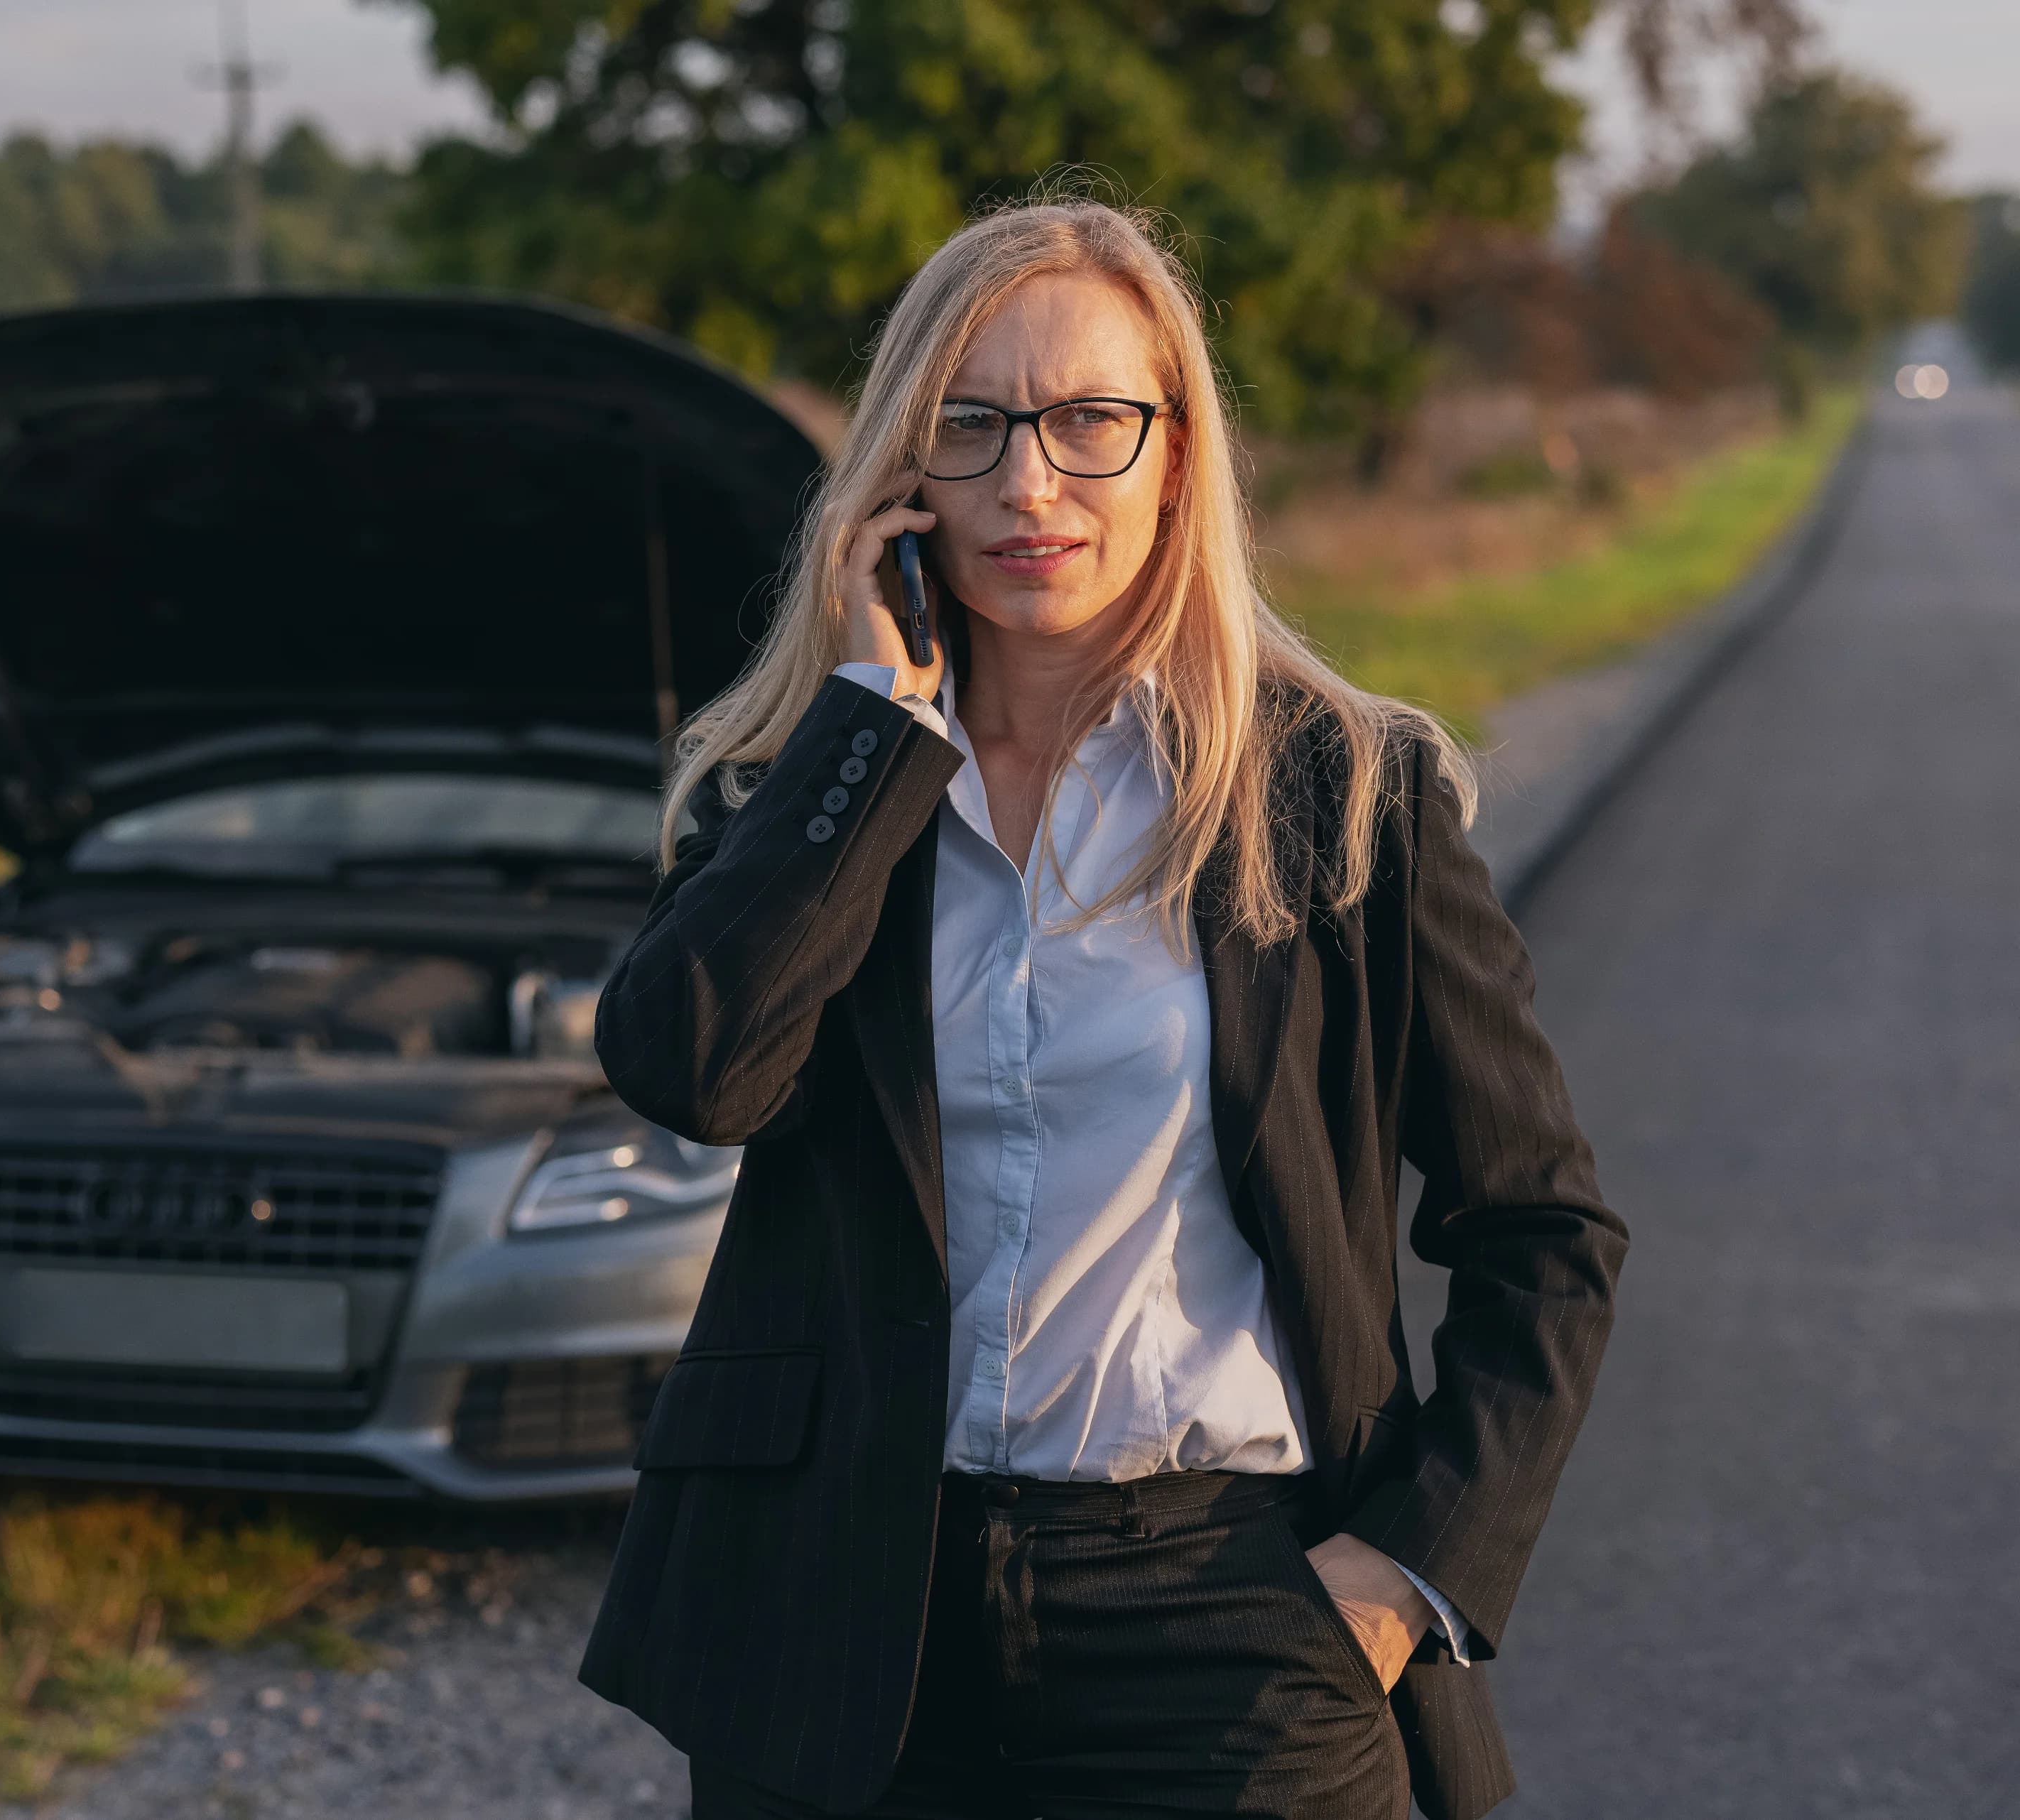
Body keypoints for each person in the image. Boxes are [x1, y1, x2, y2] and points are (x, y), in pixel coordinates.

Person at [577, 197, 1627, 1820]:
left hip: (1230, 1629)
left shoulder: (1343, 794)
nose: (1029, 482)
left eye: (1089, 420)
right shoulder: (806, 787)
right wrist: (868, 731)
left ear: (1177, 452)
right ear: (902, 471)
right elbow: (693, 1073)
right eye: (972, 424)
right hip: (854, 1617)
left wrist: (1401, 1570)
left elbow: (1543, 1227)